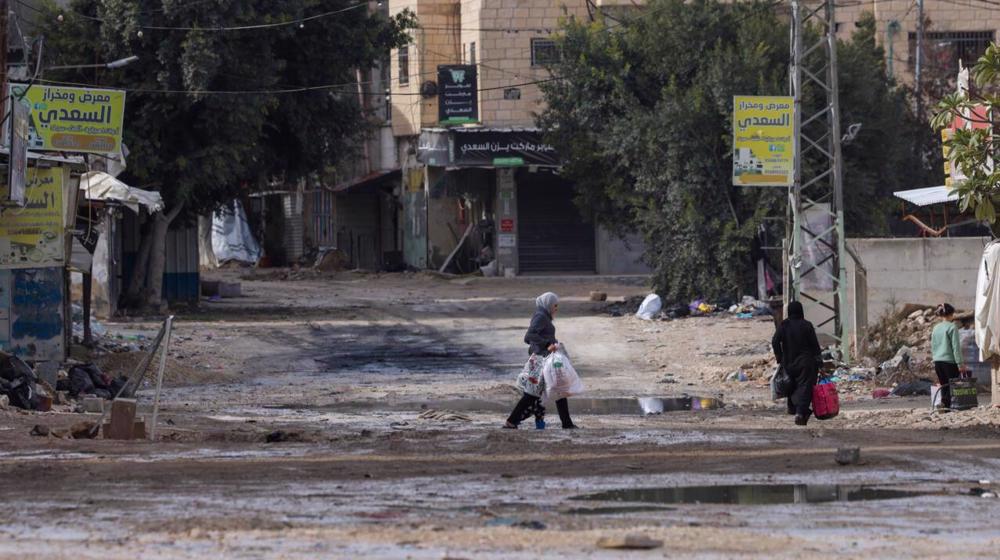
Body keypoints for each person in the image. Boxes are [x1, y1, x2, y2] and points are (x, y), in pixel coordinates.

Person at [504, 292, 578, 429]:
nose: (556, 308)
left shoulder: (544, 316)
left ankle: (567, 423)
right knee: (532, 394)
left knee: (558, 388)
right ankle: (511, 421)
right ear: (548, 304)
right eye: (555, 305)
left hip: (545, 358)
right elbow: (529, 336)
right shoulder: (541, 316)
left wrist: (552, 344)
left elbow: (534, 337)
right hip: (540, 360)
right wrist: (546, 344)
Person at [771, 301, 821, 426]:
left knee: (792, 385)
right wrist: (820, 363)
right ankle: (800, 412)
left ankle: (792, 408)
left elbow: (775, 341)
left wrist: (780, 357)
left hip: (789, 363)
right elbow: (815, 346)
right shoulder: (807, 325)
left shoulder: (784, 325)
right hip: (805, 363)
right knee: (805, 388)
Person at [931, 303, 965, 410]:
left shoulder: (936, 328)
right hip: (949, 362)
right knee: (952, 386)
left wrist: (935, 359)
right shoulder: (952, 327)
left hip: (938, 362)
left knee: (944, 385)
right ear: (951, 314)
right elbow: (956, 347)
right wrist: (960, 363)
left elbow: (933, 345)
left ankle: (944, 406)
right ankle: (947, 406)